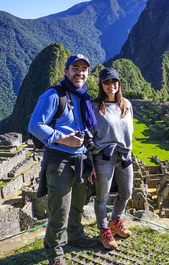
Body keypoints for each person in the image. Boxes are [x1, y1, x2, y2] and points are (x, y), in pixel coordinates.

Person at [29, 54, 98, 265]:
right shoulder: (53, 95)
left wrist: (91, 163)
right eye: (75, 68)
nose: (80, 73)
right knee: (60, 211)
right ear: (66, 71)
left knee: (78, 204)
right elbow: (35, 125)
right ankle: (55, 253)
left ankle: (76, 237)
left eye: (84, 69)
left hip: (81, 161)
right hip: (59, 161)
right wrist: (63, 139)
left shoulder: (83, 97)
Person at [90, 67, 134, 249]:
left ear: (119, 83)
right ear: (101, 85)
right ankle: (103, 230)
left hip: (124, 155)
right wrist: (90, 163)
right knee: (102, 197)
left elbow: (129, 131)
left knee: (127, 192)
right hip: (103, 157)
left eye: (114, 81)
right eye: (107, 82)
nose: (111, 85)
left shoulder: (127, 104)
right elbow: (89, 135)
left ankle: (115, 221)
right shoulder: (94, 107)